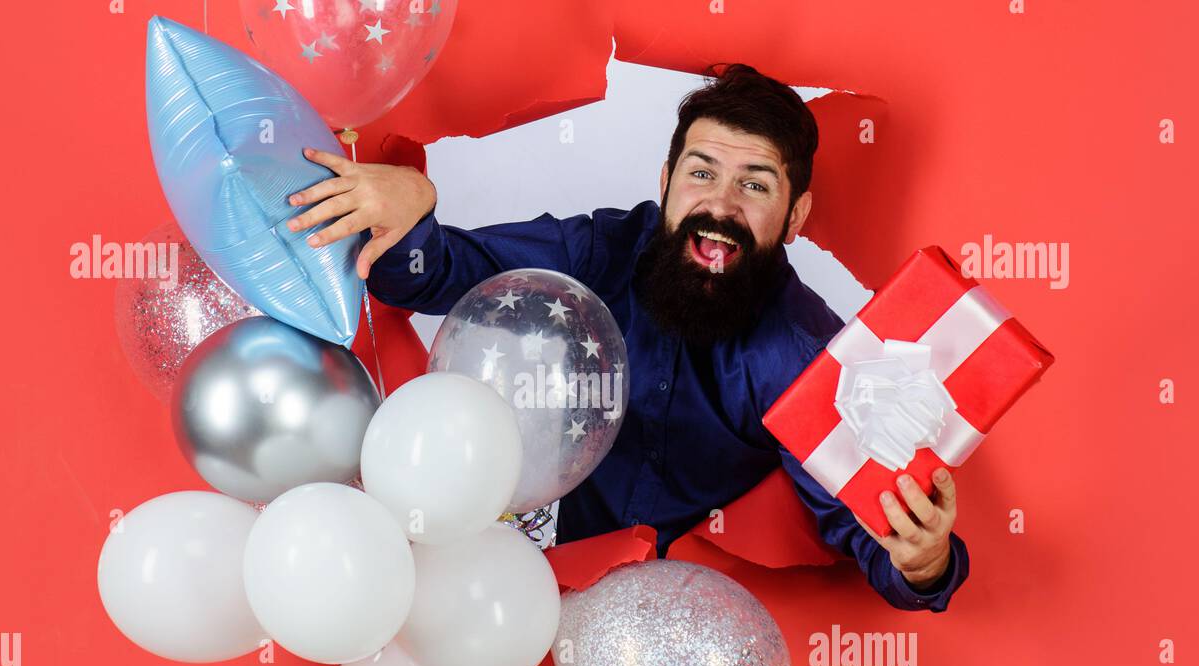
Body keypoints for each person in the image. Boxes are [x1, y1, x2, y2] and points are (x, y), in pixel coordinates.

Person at [284, 63, 969, 612]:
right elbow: (443, 277)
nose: (721, 207)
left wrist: (926, 561)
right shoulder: (602, 247)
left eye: (754, 186)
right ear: (667, 183)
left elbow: (867, 531)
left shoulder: (805, 356)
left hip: (657, 613)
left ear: (796, 217)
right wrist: (409, 214)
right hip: (497, 568)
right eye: (702, 173)